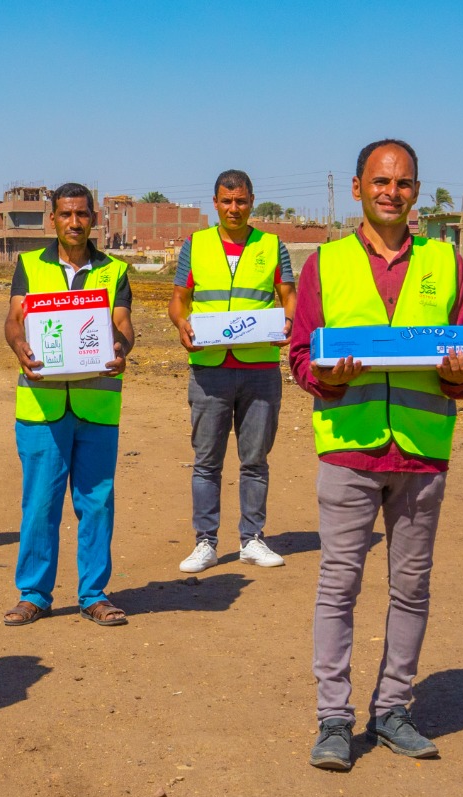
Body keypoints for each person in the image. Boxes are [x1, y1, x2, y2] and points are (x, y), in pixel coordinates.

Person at [288, 139, 463, 771]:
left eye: (403, 183)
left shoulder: (447, 264)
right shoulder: (327, 263)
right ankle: (334, 720)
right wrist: (329, 380)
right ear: (357, 188)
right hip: (349, 447)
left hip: (422, 451)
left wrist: (459, 373)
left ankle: (394, 709)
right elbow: (298, 354)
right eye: (380, 181)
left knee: (411, 588)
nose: (391, 192)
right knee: (338, 586)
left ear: (416, 192)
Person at [1, 182, 135, 627]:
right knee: (40, 502)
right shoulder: (29, 265)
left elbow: (122, 323)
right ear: (52, 218)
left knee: (96, 502)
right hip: (41, 406)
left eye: (82, 214)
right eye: (65, 214)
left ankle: (94, 594)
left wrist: (120, 347)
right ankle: (34, 594)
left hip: (96, 406)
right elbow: (14, 319)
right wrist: (18, 343)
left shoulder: (113, 270)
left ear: (94, 218)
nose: (74, 222)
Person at [167, 170, 296, 574]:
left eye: (241, 201)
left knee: (255, 460)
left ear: (252, 201)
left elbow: (289, 297)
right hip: (209, 370)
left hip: (259, 369)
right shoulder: (196, 245)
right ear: (215, 202)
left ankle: (252, 539)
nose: (234, 208)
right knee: (207, 461)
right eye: (227, 201)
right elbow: (179, 300)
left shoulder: (272, 246)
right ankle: (205, 542)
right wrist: (181, 325)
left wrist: (289, 323)